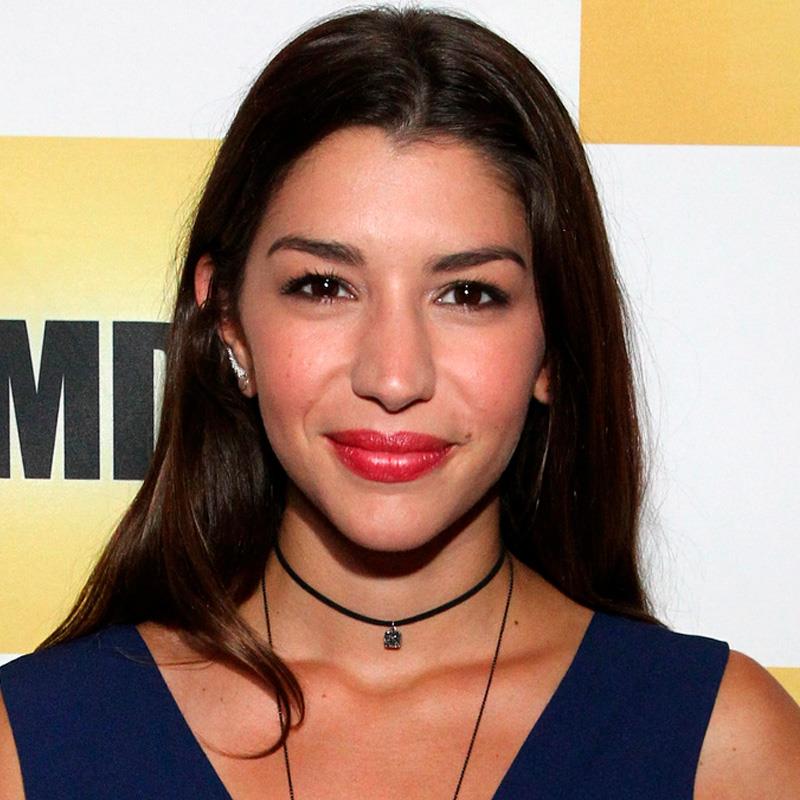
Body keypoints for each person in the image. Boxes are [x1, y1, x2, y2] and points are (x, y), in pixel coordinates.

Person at [1, 5, 799, 798]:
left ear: (554, 344)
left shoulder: (720, 750)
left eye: (468, 294)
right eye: (324, 286)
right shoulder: (35, 742)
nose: (393, 376)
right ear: (229, 322)